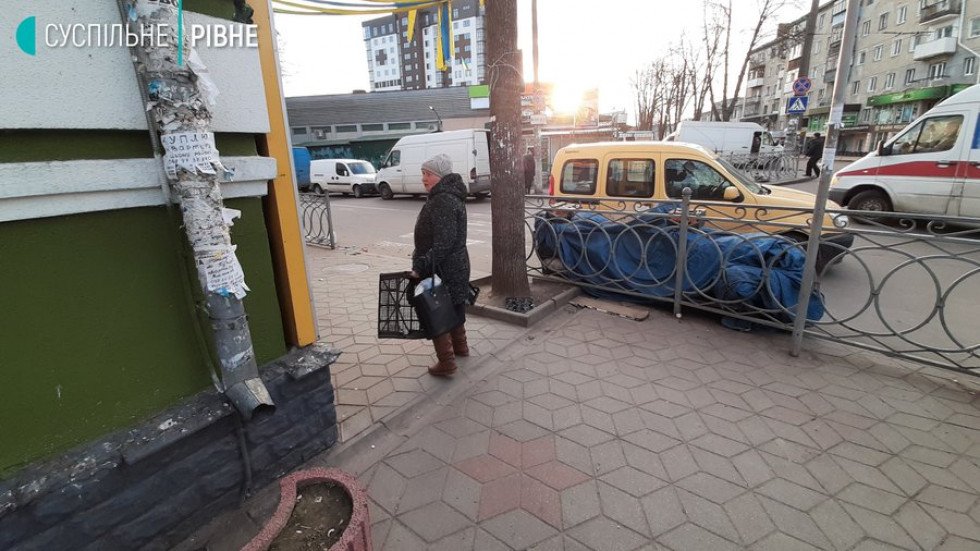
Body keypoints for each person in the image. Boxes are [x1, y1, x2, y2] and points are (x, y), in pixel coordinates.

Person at [410, 154, 471, 376]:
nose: (423, 178)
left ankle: (447, 362)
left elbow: (444, 242)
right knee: (453, 305)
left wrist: (421, 266)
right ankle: (461, 348)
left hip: (442, 267)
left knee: (436, 311)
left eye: (428, 174)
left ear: (440, 176)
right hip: (455, 265)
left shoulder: (442, 200)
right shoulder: (450, 195)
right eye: (422, 174)